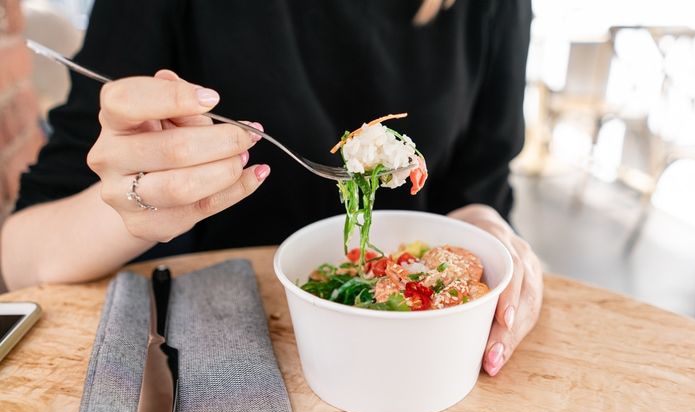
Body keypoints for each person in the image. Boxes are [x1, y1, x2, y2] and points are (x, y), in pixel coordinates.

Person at [1, 0, 542, 377]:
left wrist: (488, 228)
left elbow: (481, 184)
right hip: (201, 350)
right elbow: (20, 258)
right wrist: (137, 204)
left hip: (416, 359)